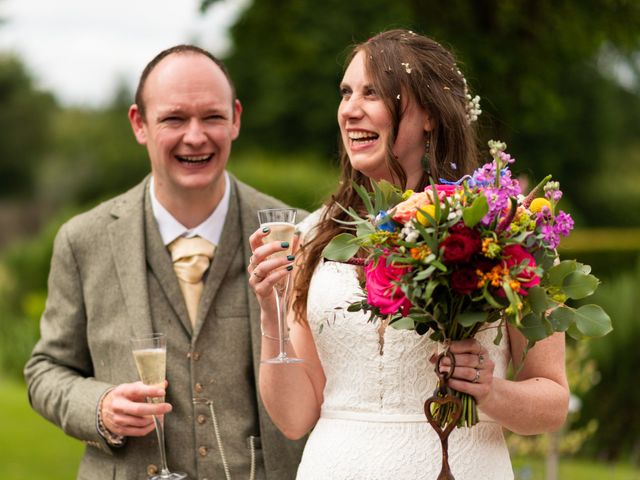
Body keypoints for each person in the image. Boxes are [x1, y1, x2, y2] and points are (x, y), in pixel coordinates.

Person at [247, 30, 569, 479]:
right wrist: (271, 312)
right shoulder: (314, 235)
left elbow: (552, 402)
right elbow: (295, 416)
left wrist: (490, 391)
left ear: (431, 115)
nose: (350, 109)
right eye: (346, 92)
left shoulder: (502, 230)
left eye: (372, 92)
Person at [24, 45, 305, 480]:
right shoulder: (83, 240)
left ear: (235, 118)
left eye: (211, 117)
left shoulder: (295, 234)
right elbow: (45, 370)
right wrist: (98, 406)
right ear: (140, 123)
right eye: (175, 118)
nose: (196, 136)